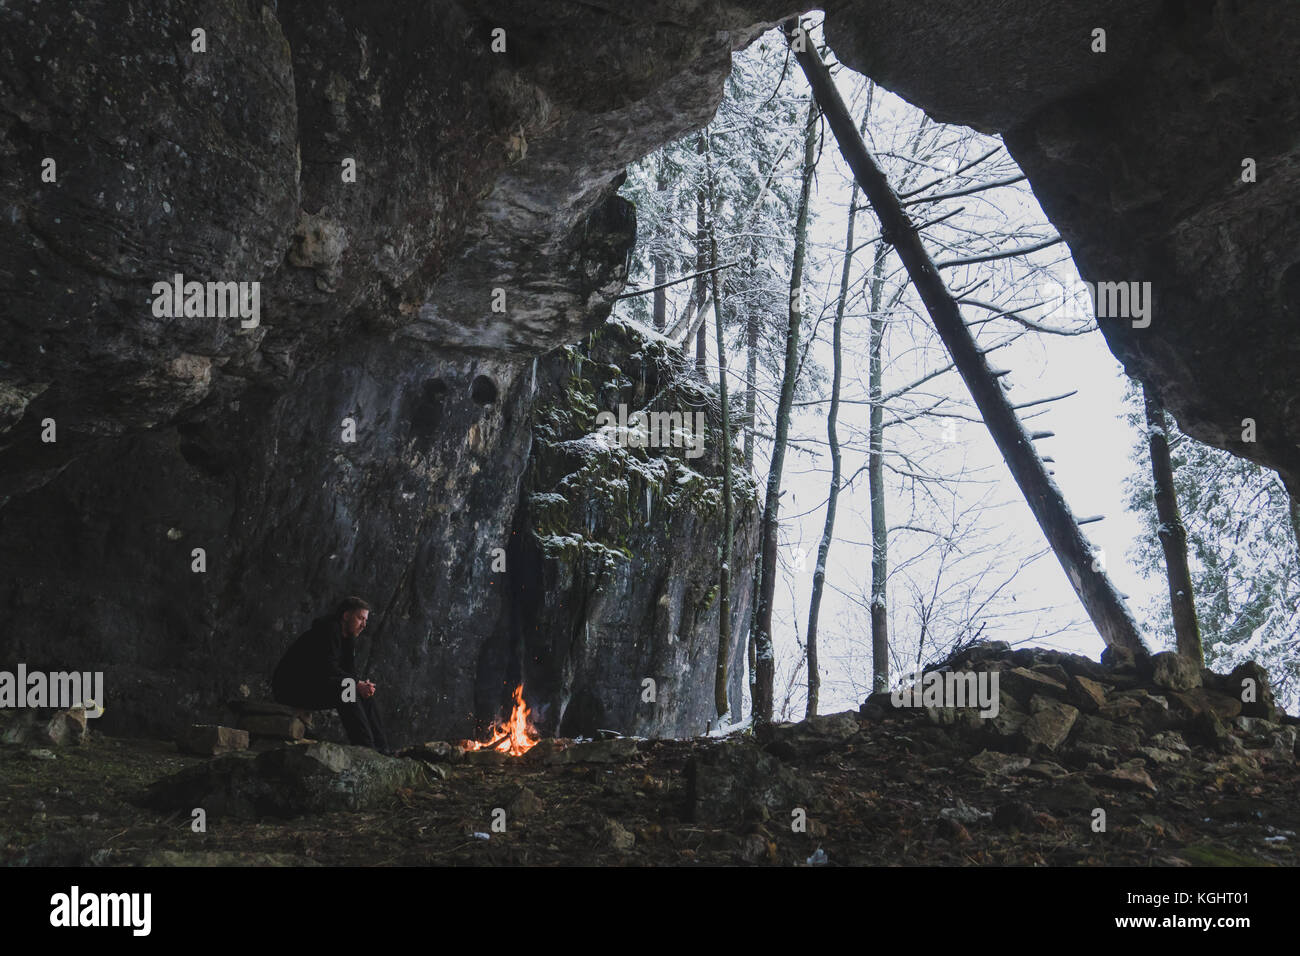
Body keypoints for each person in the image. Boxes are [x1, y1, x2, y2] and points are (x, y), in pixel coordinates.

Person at [272, 596, 389, 752]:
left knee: (363, 693)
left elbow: (349, 673)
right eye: (360, 618)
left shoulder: (348, 639)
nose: (364, 625)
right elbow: (326, 669)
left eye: (365, 620)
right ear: (346, 616)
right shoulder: (328, 629)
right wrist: (355, 683)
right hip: (291, 688)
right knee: (348, 689)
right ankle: (366, 749)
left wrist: (362, 686)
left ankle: (383, 750)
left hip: (315, 685)